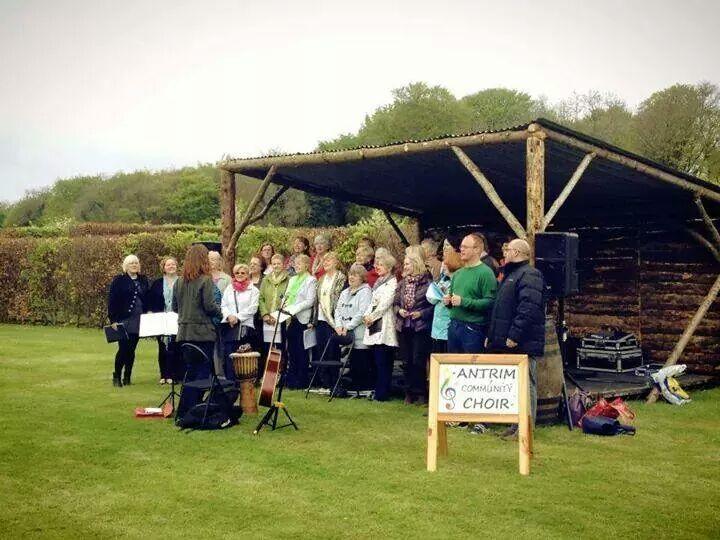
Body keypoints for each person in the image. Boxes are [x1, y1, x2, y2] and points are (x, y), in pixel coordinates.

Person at [486, 238, 546, 434]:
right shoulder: (511, 275)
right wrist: (492, 335)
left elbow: (528, 308)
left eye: (508, 249)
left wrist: (514, 335)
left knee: (526, 383)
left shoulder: (530, 275)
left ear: (518, 253)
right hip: (507, 341)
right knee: (514, 384)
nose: (505, 253)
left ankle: (526, 427)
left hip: (524, 342)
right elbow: (500, 310)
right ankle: (515, 425)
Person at [173, 244, 223, 419]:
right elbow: (209, 306)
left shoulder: (179, 281)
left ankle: (183, 410)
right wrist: (221, 312)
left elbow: (174, 307)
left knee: (191, 372)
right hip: (202, 333)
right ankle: (193, 411)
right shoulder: (205, 280)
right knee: (202, 374)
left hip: (184, 332)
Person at [443, 234, 497, 354]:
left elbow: (490, 302)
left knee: (471, 368)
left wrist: (463, 301)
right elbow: (453, 301)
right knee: (453, 368)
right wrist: (448, 301)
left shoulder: (486, 273)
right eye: (461, 247)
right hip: (453, 326)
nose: (461, 249)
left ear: (477, 249)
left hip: (473, 329)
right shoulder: (458, 273)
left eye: (465, 247)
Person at [394, 252, 434, 405]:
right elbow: (395, 303)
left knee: (418, 360)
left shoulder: (428, 283)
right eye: (404, 264)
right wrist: (399, 311)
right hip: (404, 326)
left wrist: (421, 313)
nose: (405, 267)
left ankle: (421, 393)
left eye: (408, 264)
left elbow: (432, 306)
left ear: (416, 264)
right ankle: (408, 392)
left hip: (420, 327)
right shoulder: (402, 283)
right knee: (406, 360)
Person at [107, 254, 149, 387]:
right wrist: (113, 319)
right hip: (124, 319)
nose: (134, 265)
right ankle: (117, 375)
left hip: (139, 319)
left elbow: (148, 297)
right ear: (126, 266)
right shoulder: (119, 280)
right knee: (123, 348)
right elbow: (112, 300)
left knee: (132, 349)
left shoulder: (143, 280)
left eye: (136, 263)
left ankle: (127, 376)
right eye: (131, 263)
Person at [362, 251, 398, 401]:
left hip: (384, 323)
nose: (377, 267)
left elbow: (385, 303)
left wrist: (372, 316)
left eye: (381, 265)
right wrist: (366, 315)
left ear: (389, 267)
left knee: (383, 361)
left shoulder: (392, 282)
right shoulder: (379, 282)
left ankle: (383, 393)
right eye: (377, 264)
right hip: (374, 322)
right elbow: (372, 301)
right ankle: (378, 391)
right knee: (377, 361)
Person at [334, 264, 373, 391]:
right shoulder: (345, 292)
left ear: (362, 278)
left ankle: (361, 388)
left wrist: (349, 326)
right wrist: (339, 325)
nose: (351, 277)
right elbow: (337, 311)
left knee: (360, 361)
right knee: (347, 361)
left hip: (358, 333)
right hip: (343, 331)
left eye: (355, 275)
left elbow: (362, 312)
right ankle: (348, 385)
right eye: (350, 274)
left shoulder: (366, 291)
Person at [311, 251, 347, 389]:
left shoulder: (341, 278)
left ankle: (334, 382)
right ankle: (324, 381)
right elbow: (316, 300)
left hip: (333, 320)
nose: (325, 263)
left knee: (332, 351)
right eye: (324, 261)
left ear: (336, 262)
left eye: (329, 261)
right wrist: (313, 319)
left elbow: (339, 300)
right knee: (321, 350)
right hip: (320, 319)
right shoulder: (321, 279)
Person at [221, 263, 260, 382]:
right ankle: (230, 383)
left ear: (248, 274)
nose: (240, 275)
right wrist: (229, 316)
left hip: (245, 326)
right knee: (229, 355)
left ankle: (244, 384)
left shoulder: (254, 290)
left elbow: (253, 308)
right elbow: (224, 305)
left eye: (243, 273)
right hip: (229, 327)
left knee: (243, 355)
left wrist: (237, 317)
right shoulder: (229, 288)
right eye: (237, 273)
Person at [284, 254, 317, 389]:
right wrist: (283, 307)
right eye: (295, 263)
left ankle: (301, 380)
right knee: (291, 350)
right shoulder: (292, 280)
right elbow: (286, 296)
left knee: (301, 351)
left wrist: (294, 308)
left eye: (300, 263)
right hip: (291, 318)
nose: (296, 266)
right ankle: (291, 380)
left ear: (307, 265)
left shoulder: (311, 280)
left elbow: (310, 301)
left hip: (303, 319)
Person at [147, 256, 179, 384]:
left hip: (177, 317)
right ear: (164, 268)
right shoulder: (157, 283)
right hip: (161, 318)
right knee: (162, 346)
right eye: (168, 265)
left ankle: (173, 375)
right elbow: (150, 299)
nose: (171, 267)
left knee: (174, 346)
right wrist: (150, 311)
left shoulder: (182, 282)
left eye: (173, 264)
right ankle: (163, 374)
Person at [427, 242, 463, 354]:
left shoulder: (458, 282)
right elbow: (431, 299)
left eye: (445, 265)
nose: (443, 267)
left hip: (448, 328)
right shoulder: (442, 280)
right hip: (436, 329)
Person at [258, 254, 290, 368]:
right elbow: (260, 298)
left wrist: (278, 316)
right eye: (274, 263)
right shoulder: (266, 279)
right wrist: (265, 314)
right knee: (267, 346)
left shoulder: (289, 279)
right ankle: (268, 374)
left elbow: (289, 298)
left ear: (283, 265)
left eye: (279, 263)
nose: (276, 266)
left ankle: (281, 374)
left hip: (281, 319)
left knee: (281, 347)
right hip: (267, 319)